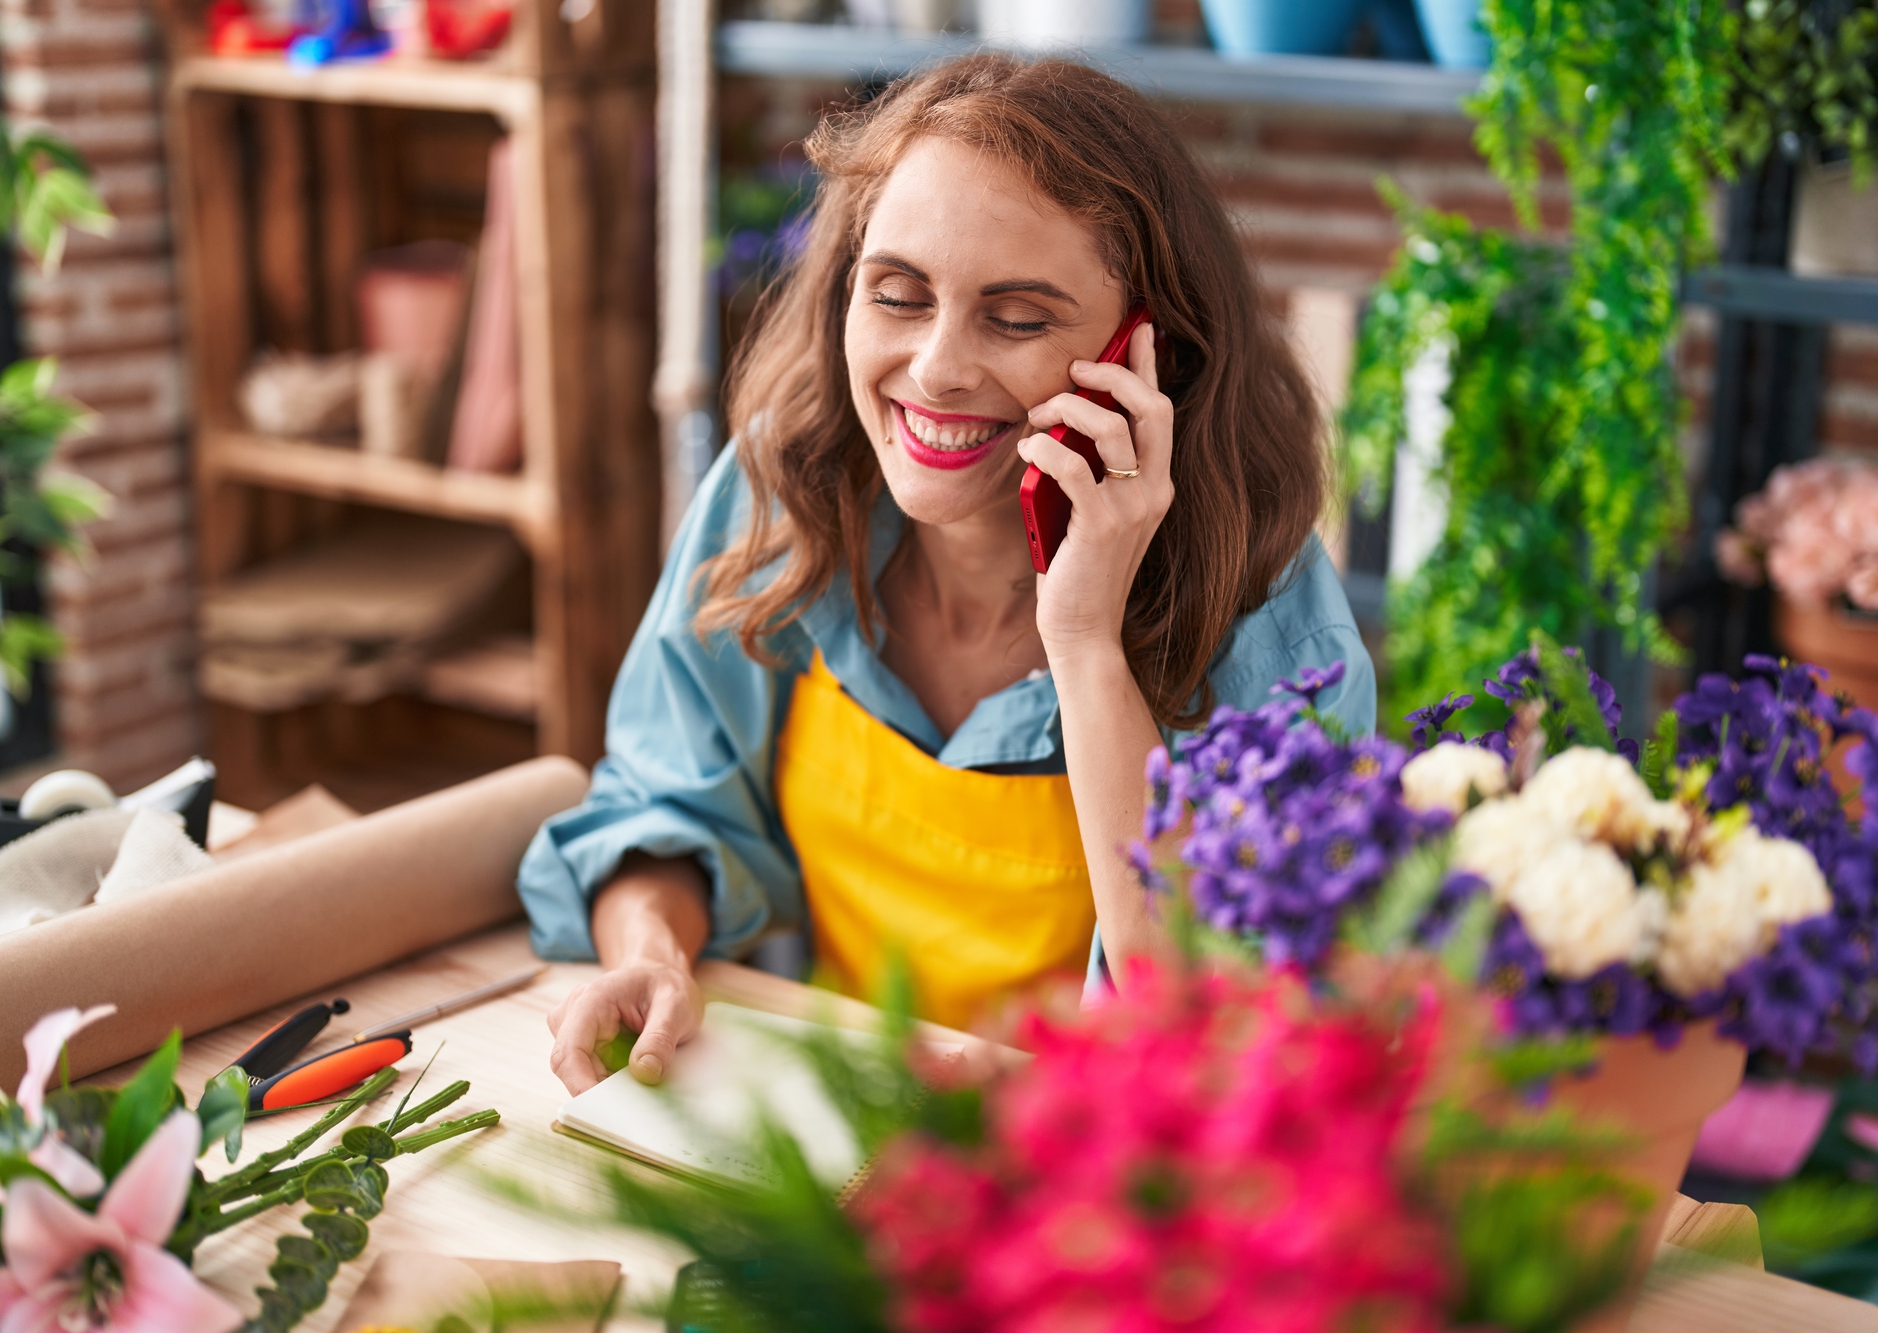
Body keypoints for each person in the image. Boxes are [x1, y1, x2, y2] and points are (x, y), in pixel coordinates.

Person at [519, 53, 1374, 1094]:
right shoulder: (781, 492)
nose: (935, 368)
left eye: (1015, 318)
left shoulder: (1270, 620)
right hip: (830, 1136)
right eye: (897, 295)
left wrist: (1087, 643)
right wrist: (649, 954)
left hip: (1112, 1177)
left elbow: (1216, 1029)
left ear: (1148, 353)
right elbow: (668, 806)